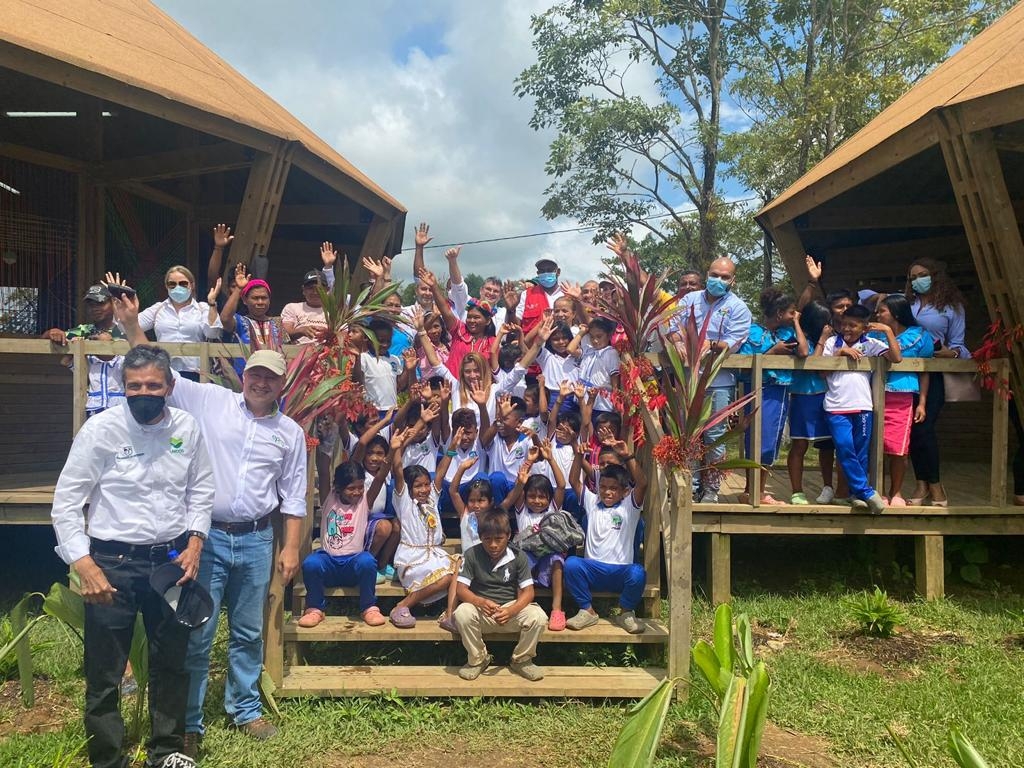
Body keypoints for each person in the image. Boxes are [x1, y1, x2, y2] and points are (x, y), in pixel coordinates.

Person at [114, 294, 306, 754]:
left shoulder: (291, 433)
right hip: (207, 537)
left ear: (282, 383)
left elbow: (293, 497)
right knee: (196, 628)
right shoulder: (211, 400)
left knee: (248, 630)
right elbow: (165, 378)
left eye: (270, 376)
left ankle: (244, 708)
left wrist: (291, 547)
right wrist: (130, 329)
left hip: (259, 538)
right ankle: (190, 721)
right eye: (255, 373)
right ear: (245, 376)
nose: (261, 381)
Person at [50, 345, 214, 768]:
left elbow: (201, 490)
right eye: (134, 386)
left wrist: (196, 541)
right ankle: (108, 759)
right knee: (105, 672)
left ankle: (167, 751)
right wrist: (84, 564)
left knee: (171, 661)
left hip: (171, 563)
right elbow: (67, 503)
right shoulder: (101, 430)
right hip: (112, 564)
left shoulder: (187, 428)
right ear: (123, 387)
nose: (143, 393)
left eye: (153, 386)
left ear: (170, 387)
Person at [668, 257, 752, 502]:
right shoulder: (689, 300)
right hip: (687, 380)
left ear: (732, 280)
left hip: (719, 380)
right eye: (715, 275)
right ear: (707, 274)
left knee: (715, 435)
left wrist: (710, 345)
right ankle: (690, 486)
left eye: (725, 277)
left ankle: (712, 489)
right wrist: (679, 342)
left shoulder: (738, 308)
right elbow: (671, 324)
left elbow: (735, 342)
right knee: (688, 433)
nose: (718, 280)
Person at [815, 304, 902, 513]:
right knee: (845, 448)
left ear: (864, 327)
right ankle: (866, 491)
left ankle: (857, 496)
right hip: (836, 406)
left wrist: (887, 331)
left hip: (863, 406)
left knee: (861, 453)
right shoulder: (831, 343)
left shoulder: (871, 343)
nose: (847, 329)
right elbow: (820, 372)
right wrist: (840, 352)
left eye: (853, 325)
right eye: (844, 324)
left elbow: (896, 358)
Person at [453, 509, 548, 681]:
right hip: (482, 611)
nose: (493, 545)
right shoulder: (471, 554)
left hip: (510, 610)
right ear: (480, 537)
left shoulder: (519, 556)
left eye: (499, 539)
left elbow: (529, 592)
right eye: (487, 539)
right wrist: (479, 601)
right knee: (462, 613)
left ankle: (522, 660)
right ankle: (478, 659)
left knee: (538, 617)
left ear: (508, 535)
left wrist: (512, 610)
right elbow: (460, 589)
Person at [565, 438, 648, 633]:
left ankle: (626, 612)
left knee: (638, 573)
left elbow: (642, 483)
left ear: (624, 491)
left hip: (620, 572)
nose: (607, 492)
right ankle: (587, 611)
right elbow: (573, 481)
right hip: (592, 570)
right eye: (603, 487)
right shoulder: (592, 502)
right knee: (571, 564)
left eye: (613, 489)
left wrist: (628, 456)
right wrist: (579, 455)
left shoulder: (630, 507)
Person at [296, 461, 389, 628]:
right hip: (329, 564)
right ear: (338, 488)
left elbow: (380, 478)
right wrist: (324, 444)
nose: (357, 492)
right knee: (311, 563)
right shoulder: (329, 499)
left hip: (353, 565)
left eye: (360, 487)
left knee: (367, 561)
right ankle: (315, 608)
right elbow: (324, 472)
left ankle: (368, 607)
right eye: (351, 488)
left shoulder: (364, 501)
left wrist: (393, 450)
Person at [906, 257, 968, 507]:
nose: (917, 280)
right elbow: (866, 296)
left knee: (925, 427)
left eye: (922, 275)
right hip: (905, 373)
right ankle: (921, 484)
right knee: (910, 429)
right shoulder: (906, 303)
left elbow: (960, 346)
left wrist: (949, 352)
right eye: (912, 277)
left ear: (935, 275)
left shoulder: (952, 307)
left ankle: (935, 483)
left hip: (935, 371)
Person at [739, 288, 805, 505]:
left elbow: (803, 352)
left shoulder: (788, 334)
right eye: (791, 313)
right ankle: (754, 491)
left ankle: (755, 490)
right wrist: (773, 352)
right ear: (778, 313)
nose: (793, 315)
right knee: (757, 440)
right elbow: (744, 368)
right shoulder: (752, 333)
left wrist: (796, 323)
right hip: (759, 390)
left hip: (780, 391)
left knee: (771, 440)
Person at [387, 427, 459, 628]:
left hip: (435, 555)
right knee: (446, 577)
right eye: (418, 486)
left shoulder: (431, 500)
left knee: (460, 569)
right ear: (409, 488)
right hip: (412, 558)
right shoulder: (404, 501)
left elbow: (442, 470)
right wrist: (397, 449)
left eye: (426, 485)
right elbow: (399, 473)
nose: (424, 489)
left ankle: (450, 615)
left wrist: (452, 448)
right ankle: (402, 605)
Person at [873, 294, 933, 506]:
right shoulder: (873, 335)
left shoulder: (920, 336)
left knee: (898, 447)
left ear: (896, 313)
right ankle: (877, 491)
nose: (877, 314)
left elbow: (925, 370)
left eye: (882, 311)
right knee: (875, 444)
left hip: (903, 396)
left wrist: (923, 402)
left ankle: (895, 492)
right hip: (873, 394)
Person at [43, 283, 126, 416]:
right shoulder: (85, 330)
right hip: (93, 405)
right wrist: (53, 332)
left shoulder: (125, 330)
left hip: (123, 405)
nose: (95, 308)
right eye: (91, 305)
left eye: (100, 303)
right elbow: (46, 337)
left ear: (113, 303)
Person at [786, 301, 834, 505]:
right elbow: (810, 361)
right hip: (802, 395)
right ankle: (797, 491)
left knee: (827, 445)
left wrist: (824, 340)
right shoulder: (797, 339)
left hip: (824, 396)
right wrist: (820, 338)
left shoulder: (831, 341)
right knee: (800, 444)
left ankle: (828, 487)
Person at [137, 265, 222, 380]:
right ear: (166, 287)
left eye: (183, 284)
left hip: (196, 373)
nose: (177, 287)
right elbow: (130, 327)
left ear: (192, 285)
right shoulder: (158, 309)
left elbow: (212, 333)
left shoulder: (202, 308)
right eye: (172, 284)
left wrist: (212, 303)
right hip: (164, 372)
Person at [219, 263, 289, 377]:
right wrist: (239, 289)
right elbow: (225, 319)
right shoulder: (240, 321)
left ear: (269, 300)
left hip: (274, 378)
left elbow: (288, 352)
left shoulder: (278, 322)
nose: (260, 302)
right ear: (245, 301)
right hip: (244, 379)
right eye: (255, 298)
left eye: (264, 298)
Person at [513, 258, 564, 336]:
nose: (546, 273)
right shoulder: (526, 294)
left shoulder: (566, 294)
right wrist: (511, 310)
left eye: (549, 270)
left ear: (558, 272)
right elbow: (516, 325)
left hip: (562, 344)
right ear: (537, 273)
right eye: (542, 271)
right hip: (532, 346)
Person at [281, 269, 330, 344]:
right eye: (310, 288)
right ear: (304, 290)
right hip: (297, 351)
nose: (315, 292)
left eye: (319, 288)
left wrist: (327, 333)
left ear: (327, 290)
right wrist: (301, 330)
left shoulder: (335, 311)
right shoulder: (292, 308)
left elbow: (343, 335)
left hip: (328, 351)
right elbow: (284, 335)